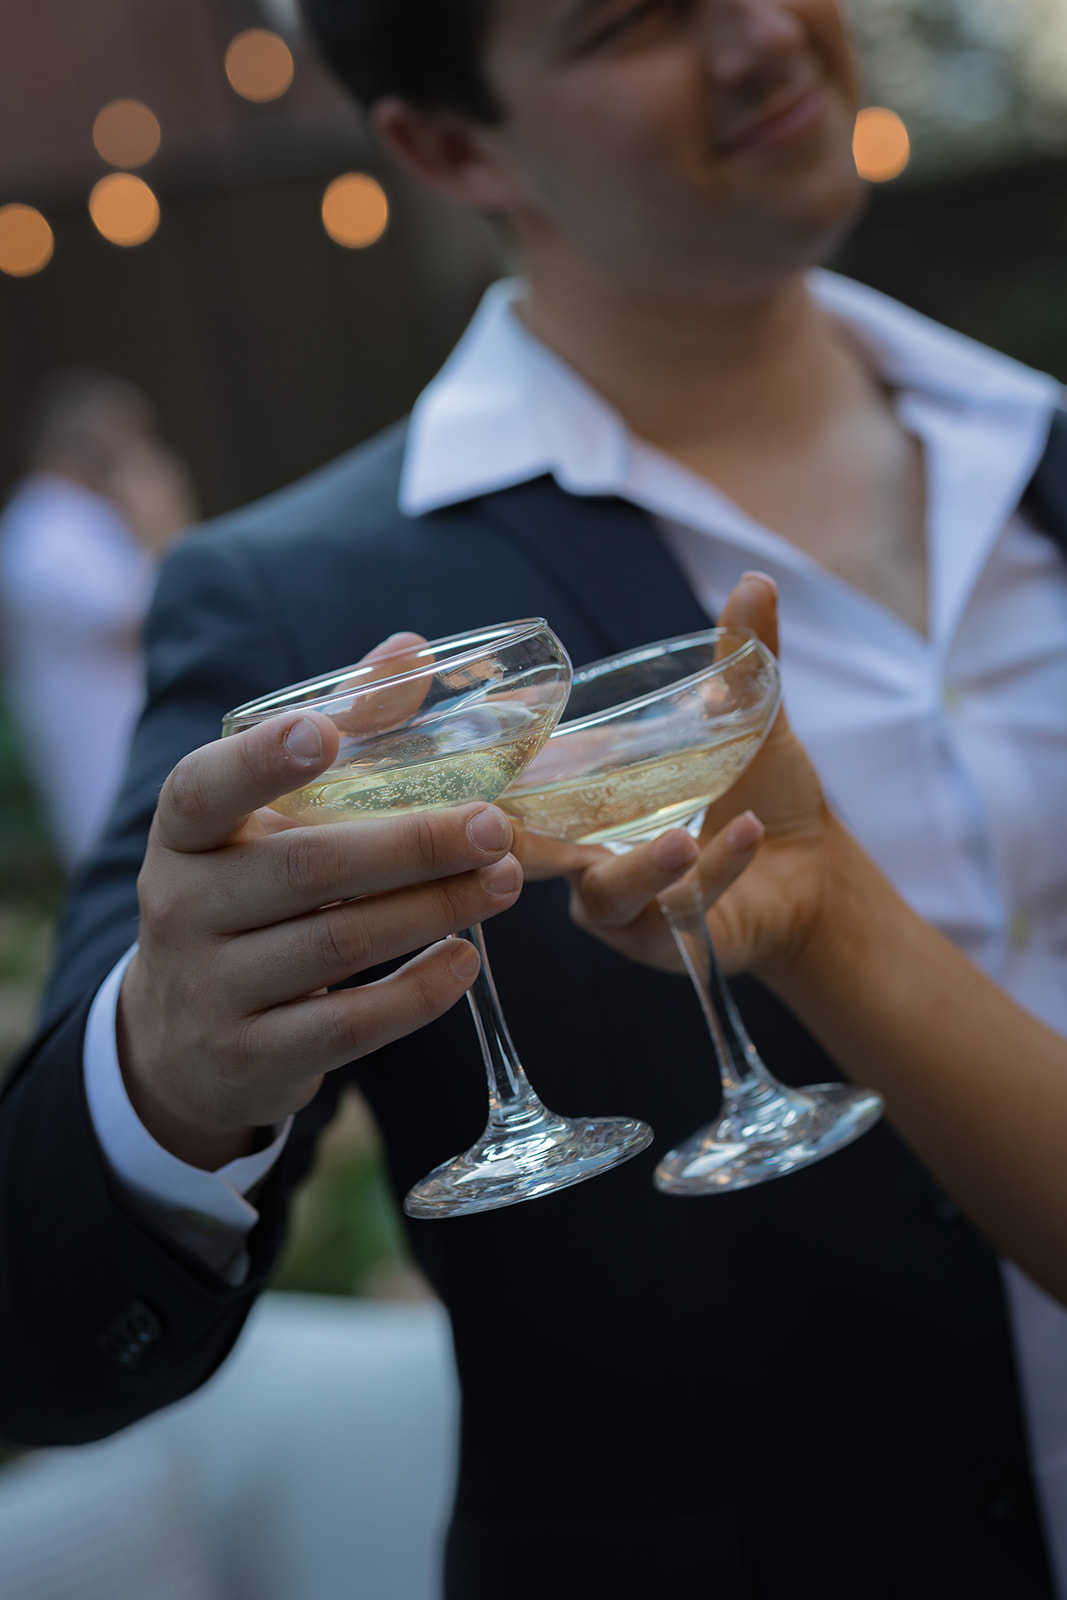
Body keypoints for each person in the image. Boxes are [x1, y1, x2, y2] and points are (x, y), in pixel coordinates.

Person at [2, 2, 1067, 1596]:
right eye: (634, 17)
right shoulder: (310, 604)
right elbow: (40, 1339)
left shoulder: (1041, 446)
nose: (763, 33)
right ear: (444, 146)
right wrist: (162, 1066)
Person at [0, 370, 197, 869]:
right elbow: (159, 610)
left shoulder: (84, 520)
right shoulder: (44, 531)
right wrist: (164, 517)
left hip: (131, 749)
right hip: (103, 760)